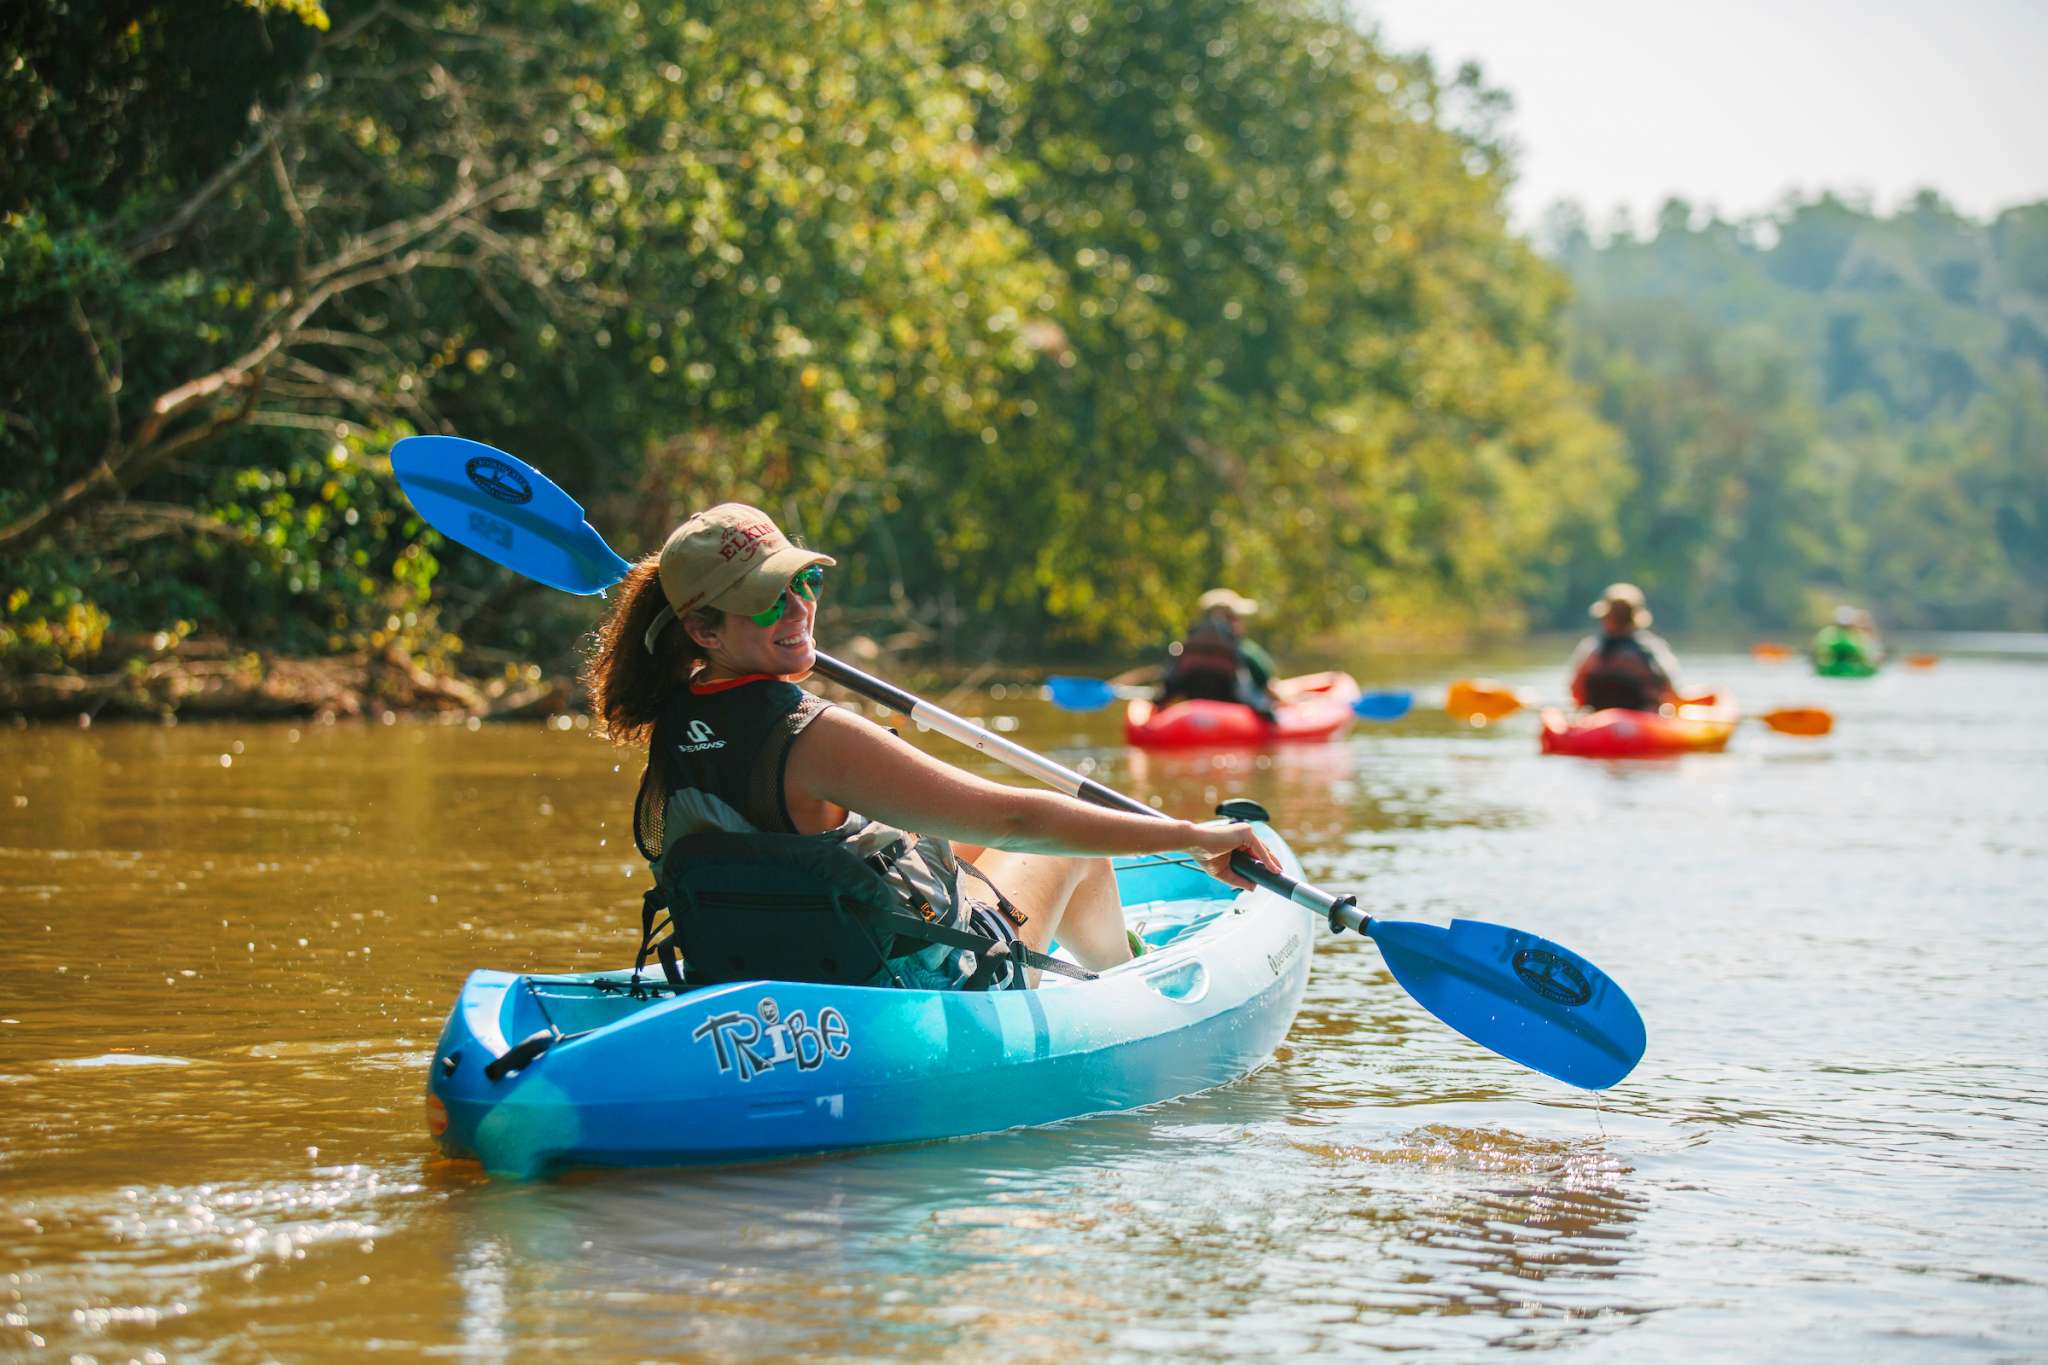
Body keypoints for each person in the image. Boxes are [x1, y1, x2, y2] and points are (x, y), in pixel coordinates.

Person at [582, 503, 1278, 993]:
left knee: (938, 843)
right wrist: (1193, 835)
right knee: (1066, 842)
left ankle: (1116, 961)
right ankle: (1132, 976)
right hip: (908, 987)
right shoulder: (811, 734)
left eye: (804, 582)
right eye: (768, 600)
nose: (798, 609)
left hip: (759, 966)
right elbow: (1017, 820)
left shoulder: (670, 715)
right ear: (703, 630)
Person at [1157, 588, 1279, 722]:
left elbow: (1168, 687)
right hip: (1233, 716)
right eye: (1237, 618)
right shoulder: (1244, 650)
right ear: (1228, 619)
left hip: (1191, 713)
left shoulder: (1185, 646)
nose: (1242, 622)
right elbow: (1267, 690)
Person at [1566, 582, 1685, 713]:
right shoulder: (1651, 649)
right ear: (1635, 617)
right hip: (1643, 719)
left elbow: (1576, 693)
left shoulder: (1591, 650)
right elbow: (1671, 693)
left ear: (1606, 616)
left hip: (1598, 718)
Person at [1812, 606, 1883, 668]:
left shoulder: (1859, 634)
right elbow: (1821, 649)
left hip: (1855, 665)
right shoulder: (1827, 633)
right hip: (1831, 665)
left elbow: (1866, 652)